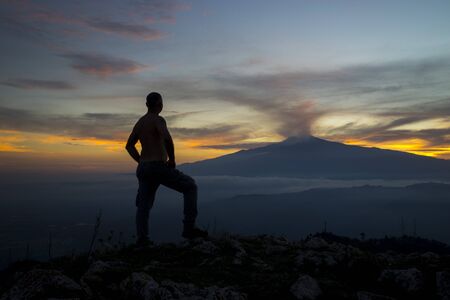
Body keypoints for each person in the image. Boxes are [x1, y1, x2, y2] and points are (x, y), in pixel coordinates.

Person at [126, 92, 208, 246]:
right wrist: (172, 159)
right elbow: (166, 138)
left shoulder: (140, 122)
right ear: (160, 105)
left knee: (144, 205)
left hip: (144, 168)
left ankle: (142, 239)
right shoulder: (158, 120)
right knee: (190, 186)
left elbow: (129, 146)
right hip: (158, 166)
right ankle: (189, 229)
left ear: (146, 105)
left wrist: (140, 161)